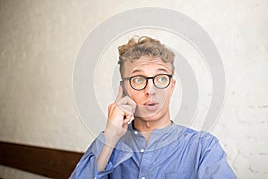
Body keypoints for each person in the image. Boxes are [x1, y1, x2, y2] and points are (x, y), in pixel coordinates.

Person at [70, 36, 237, 179]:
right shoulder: (110, 143)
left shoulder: (203, 147)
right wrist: (110, 137)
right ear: (124, 90)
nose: (150, 90)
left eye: (161, 78)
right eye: (138, 80)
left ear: (172, 86)